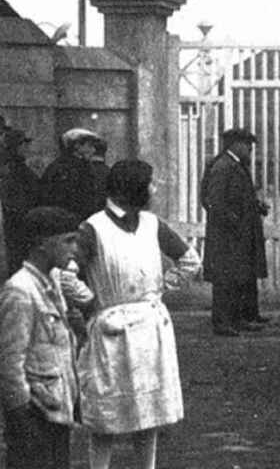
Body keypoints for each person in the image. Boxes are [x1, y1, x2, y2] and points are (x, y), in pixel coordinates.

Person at [76, 159, 201, 469]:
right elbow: (65, 274)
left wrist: (159, 289)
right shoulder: (93, 228)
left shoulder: (151, 223)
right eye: (150, 183)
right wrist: (89, 302)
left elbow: (190, 261)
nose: (154, 188)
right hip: (112, 331)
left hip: (150, 330)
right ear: (132, 186)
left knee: (149, 413)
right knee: (108, 416)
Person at [0, 207, 81, 469]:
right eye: (68, 240)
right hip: (34, 414)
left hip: (56, 407)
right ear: (43, 244)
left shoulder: (52, 281)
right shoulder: (20, 291)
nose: (75, 249)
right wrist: (19, 414)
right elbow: (10, 360)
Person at [200, 128, 270, 336]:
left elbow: (239, 197)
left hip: (237, 233)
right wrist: (235, 222)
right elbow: (214, 201)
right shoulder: (223, 167)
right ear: (235, 145)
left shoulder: (234, 165)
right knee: (225, 279)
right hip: (228, 235)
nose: (250, 150)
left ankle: (239, 319)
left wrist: (256, 206)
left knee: (238, 276)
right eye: (247, 146)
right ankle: (223, 323)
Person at [40, 128, 105, 223]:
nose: (93, 150)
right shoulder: (66, 170)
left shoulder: (63, 166)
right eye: (89, 146)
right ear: (77, 146)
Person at [1, 129, 41, 273]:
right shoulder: (14, 170)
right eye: (24, 144)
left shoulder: (16, 168)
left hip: (17, 227)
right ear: (16, 146)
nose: (27, 149)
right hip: (19, 228)